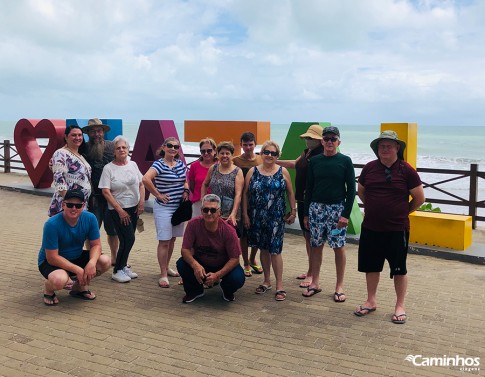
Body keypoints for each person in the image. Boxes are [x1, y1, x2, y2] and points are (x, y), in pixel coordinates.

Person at [354, 130, 424, 324]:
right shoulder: (369, 168)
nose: (385, 149)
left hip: (397, 229)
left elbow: (419, 198)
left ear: (397, 148)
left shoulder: (406, 169)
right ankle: (370, 301)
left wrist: (403, 212)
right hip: (371, 227)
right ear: (377, 149)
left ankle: (400, 305)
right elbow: (361, 191)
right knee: (371, 267)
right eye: (381, 146)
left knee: (399, 269)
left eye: (389, 146)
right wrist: (374, 207)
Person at [302, 126, 355, 302]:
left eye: (333, 139)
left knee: (338, 247)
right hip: (316, 210)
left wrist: (345, 215)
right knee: (316, 246)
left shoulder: (345, 161)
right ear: (322, 141)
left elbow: (351, 190)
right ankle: (315, 282)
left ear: (338, 142)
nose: (330, 142)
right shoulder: (315, 161)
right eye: (326, 139)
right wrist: (306, 214)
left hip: (336, 211)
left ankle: (339, 286)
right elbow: (308, 189)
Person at [243, 140, 296, 302]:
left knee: (275, 250)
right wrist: (245, 214)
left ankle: (280, 285)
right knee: (263, 249)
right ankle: (266, 281)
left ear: (277, 156)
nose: (269, 156)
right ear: (261, 153)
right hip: (257, 216)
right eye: (266, 152)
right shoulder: (253, 171)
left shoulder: (283, 171)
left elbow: (290, 193)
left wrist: (293, 211)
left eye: (273, 153)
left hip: (276, 217)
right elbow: (246, 194)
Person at [38, 188, 111, 305]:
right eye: (70, 205)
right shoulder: (51, 224)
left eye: (78, 206)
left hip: (75, 256)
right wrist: (78, 270)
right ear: (63, 205)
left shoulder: (90, 218)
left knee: (105, 261)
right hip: (50, 261)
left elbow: (96, 245)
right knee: (59, 280)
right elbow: (52, 258)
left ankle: (78, 288)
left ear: (83, 206)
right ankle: (48, 289)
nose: (74, 208)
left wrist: (91, 263)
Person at [277, 124, 324, 288]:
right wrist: (273, 161)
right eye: (306, 137)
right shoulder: (307, 153)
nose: (307, 140)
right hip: (302, 199)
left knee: (313, 239)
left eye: (310, 138)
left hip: (313, 201)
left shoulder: (320, 155)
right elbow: (293, 164)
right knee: (306, 237)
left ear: (319, 140)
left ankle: (312, 274)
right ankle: (310, 269)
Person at [176, 194, 245, 303]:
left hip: (222, 264)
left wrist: (218, 275)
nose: (209, 213)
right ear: (201, 210)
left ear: (219, 212)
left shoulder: (229, 231)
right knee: (181, 264)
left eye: (213, 210)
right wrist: (195, 265)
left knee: (237, 278)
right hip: (201, 263)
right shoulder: (192, 224)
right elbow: (185, 249)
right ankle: (195, 291)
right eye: (206, 209)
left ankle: (227, 290)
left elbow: (235, 258)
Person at [142, 137, 189, 288]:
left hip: (178, 208)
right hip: (164, 208)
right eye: (170, 146)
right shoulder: (159, 164)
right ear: (163, 147)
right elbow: (146, 179)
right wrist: (157, 194)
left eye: (176, 146)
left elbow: (186, 179)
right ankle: (162, 274)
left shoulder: (180, 164)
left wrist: (186, 189)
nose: (173, 148)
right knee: (164, 241)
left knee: (173, 239)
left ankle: (167, 267)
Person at [99, 136, 145, 283]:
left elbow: (141, 184)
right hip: (118, 210)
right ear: (114, 151)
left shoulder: (133, 164)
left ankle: (123, 266)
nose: (121, 150)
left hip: (134, 208)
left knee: (128, 239)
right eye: (118, 148)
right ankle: (117, 270)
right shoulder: (108, 168)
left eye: (124, 147)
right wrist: (120, 210)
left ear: (128, 149)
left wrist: (141, 202)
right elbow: (105, 191)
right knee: (128, 239)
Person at [81, 118, 119, 265]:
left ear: (103, 132)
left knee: (113, 231)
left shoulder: (112, 146)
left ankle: (115, 258)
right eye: (93, 131)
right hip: (92, 198)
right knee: (90, 232)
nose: (96, 134)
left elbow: (122, 163)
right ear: (88, 133)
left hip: (111, 196)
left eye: (99, 131)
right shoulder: (82, 148)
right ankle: (93, 259)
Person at [232, 132, 264, 277]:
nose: (248, 148)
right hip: (241, 202)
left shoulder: (261, 160)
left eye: (250, 144)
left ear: (255, 144)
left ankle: (252, 258)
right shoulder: (236, 161)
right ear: (241, 145)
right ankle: (245, 262)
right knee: (243, 234)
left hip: (258, 202)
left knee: (257, 233)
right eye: (245, 145)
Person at [201, 141, 244, 235]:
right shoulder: (213, 168)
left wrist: (233, 213)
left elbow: (238, 195)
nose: (224, 156)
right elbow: (205, 184)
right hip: (212, 211)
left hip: (229, 213)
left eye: (227, 153)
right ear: (217, 155)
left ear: (232, 155)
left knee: (228, 240)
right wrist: (203, 199)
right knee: (212, 237)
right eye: (222, 153)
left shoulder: (237, 171)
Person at [49, 125, 91, 217]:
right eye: (74, 135)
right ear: (66, 137)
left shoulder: (80, 155)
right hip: (68, 206)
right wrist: (69, 203)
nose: (77, 138)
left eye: (80, 135)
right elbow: (59, 179)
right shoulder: (61, 153)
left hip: (79, 206)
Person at [188, 138, 217, 216]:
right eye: (203, 151)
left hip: (216, 203)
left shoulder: (220, 165)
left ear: (214, 150)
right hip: (199, 203)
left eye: (209, 150)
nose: (206, 153)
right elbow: (192, 186)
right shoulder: (194, 166)